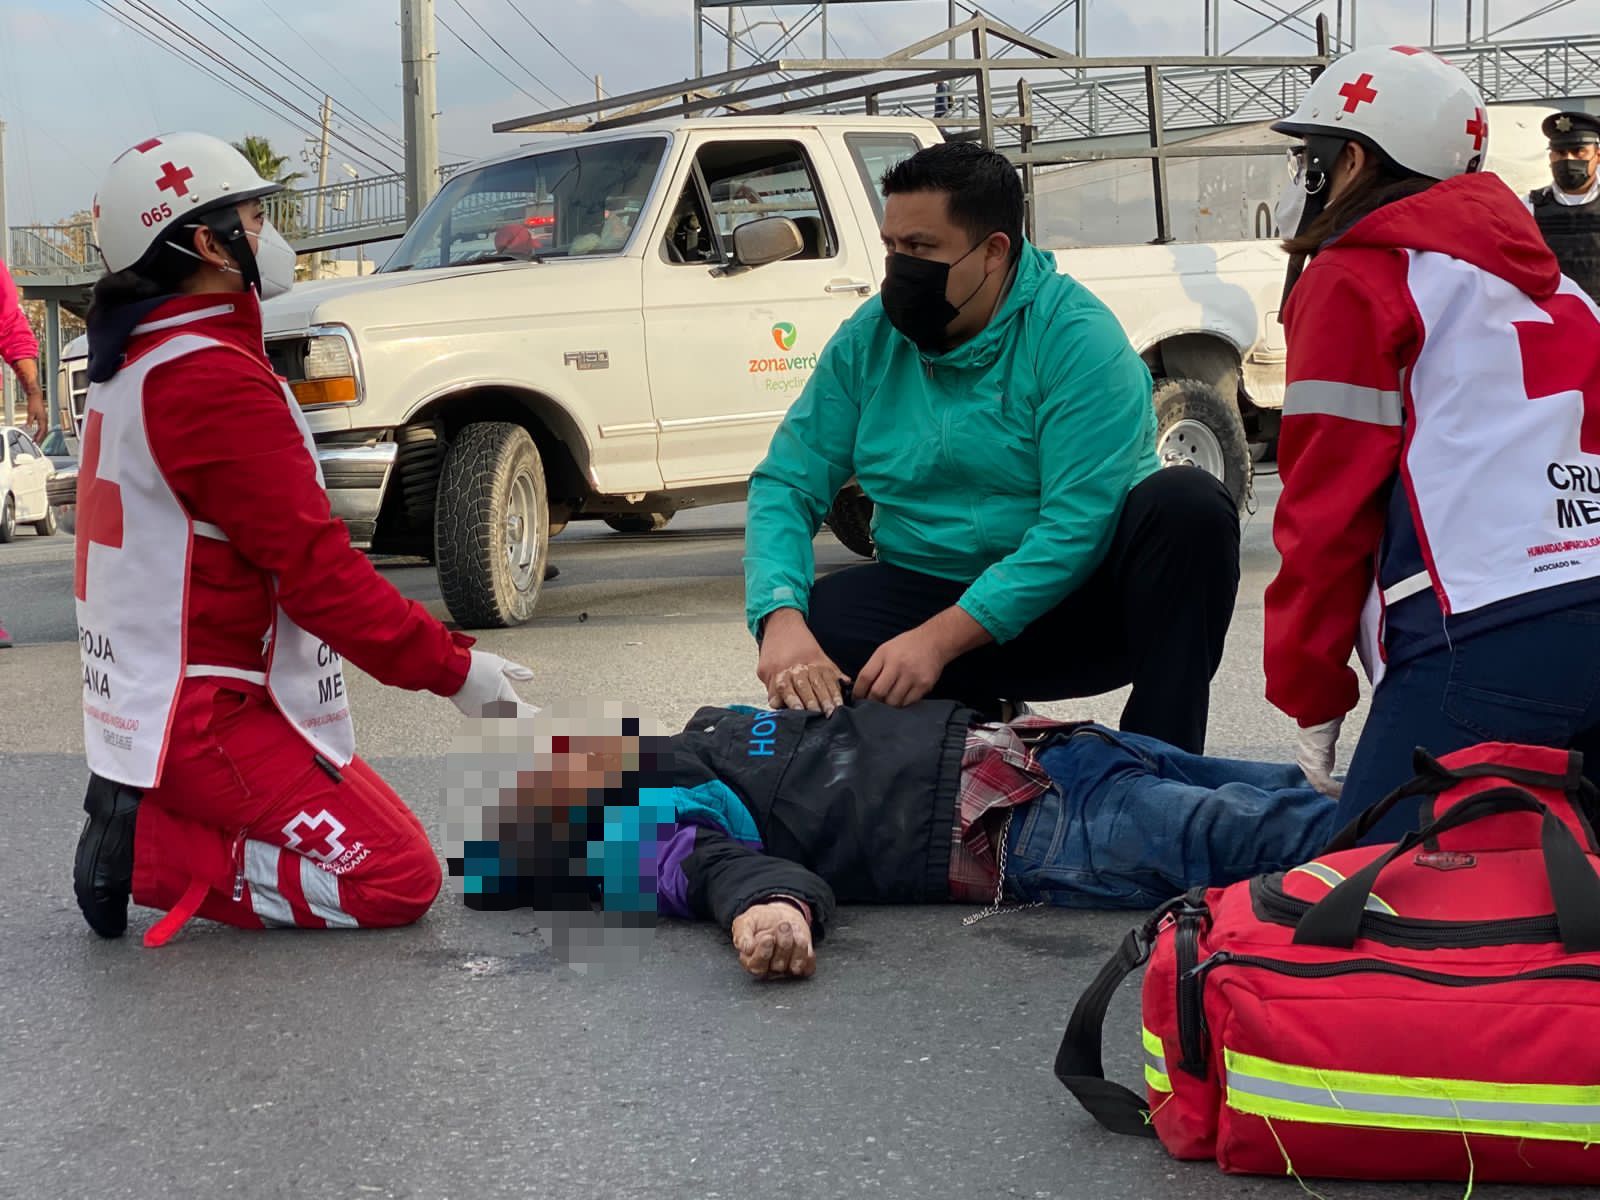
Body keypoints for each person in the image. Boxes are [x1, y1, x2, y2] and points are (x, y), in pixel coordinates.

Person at [71, 132, 537, 946]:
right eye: (253, 217)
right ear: (206, 244)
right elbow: (316, 574)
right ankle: (150, 851)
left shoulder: (146, 356)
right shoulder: (207, 378)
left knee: (382, 830)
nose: (269, 233)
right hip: (209, 713)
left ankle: (151, 806)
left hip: (164, 698)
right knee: (398, 876)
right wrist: (455, 669)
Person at [743, 141, 1240, 752]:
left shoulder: (1077, 339)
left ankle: (1162, 767)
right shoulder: (869, 339)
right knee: (822, 619)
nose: (898, 270)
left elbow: (1074, 530)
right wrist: (779, 620)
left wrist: (938, 641)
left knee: (1189, 505)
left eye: (921, 249)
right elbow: (786, 482)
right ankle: (961, 730)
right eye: (891, 247)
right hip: (933, 584)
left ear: (994, 252)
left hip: (1079, 607)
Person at [1264, 47, 1600, 842]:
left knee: (1366, 886)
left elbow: (1324, 511)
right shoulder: (1556, 284)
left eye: (1308, 155)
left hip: (1485, 630)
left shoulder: (1359, 277)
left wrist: (1311, 692)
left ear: (1349, 159)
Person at [448, 701, 1336, 981]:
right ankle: (1470, 885)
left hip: (1054, 745)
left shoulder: (683, 737)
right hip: (1024, 828)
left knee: (1315, 797)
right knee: (1301, 833)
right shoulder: (626, 822)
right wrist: (770, 912)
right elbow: (713, 865)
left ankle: (1470, 806)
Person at [1526, 110, 1600, 303]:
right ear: (1550, 157)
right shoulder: (1528, 207)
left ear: (1597, 155)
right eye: (1560, 152)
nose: (1569, 159)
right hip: (1557, 320)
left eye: (1579, 151)